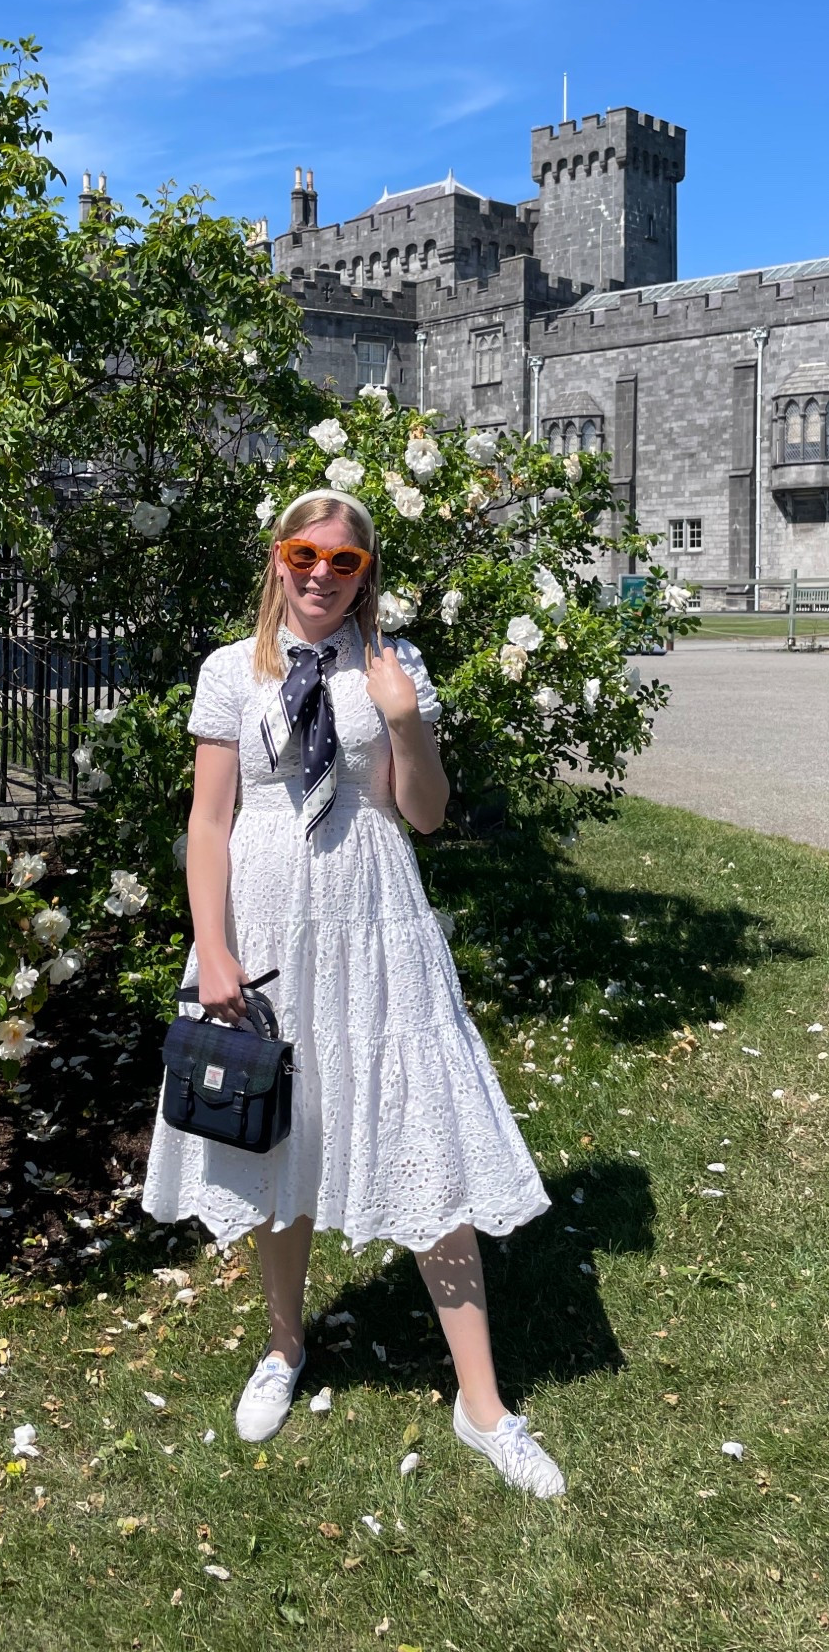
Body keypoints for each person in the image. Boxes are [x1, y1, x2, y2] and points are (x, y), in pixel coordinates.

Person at [142, 488, 563, 1496]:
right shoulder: (227, 672)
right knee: (277, 1131)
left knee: (424, 1131)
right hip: (266, 920)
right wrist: (215, 948)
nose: (322, 574)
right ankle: (285, 1346)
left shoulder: (394, 666)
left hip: (376, 921)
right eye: (305, 553)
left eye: (345, 562)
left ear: (366, 573)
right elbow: (209, 821)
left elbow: (422, 812)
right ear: (277, 558)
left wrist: (408, 724)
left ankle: (482, 1402)